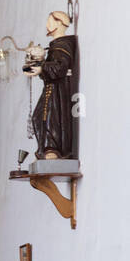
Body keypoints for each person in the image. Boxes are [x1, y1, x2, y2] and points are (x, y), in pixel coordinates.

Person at [24, 9, 80, 160]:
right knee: (39, 116)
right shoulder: (55, 46)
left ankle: (53, 149)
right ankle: (46, 148)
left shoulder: (64, 45)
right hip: (51, 88)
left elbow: (61, 67)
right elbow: (50, 68)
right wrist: (37, 65)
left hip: (58, 90)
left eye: (50, 22)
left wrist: (42, 67)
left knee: (52, 116)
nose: (47, 26)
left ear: (60, 23)